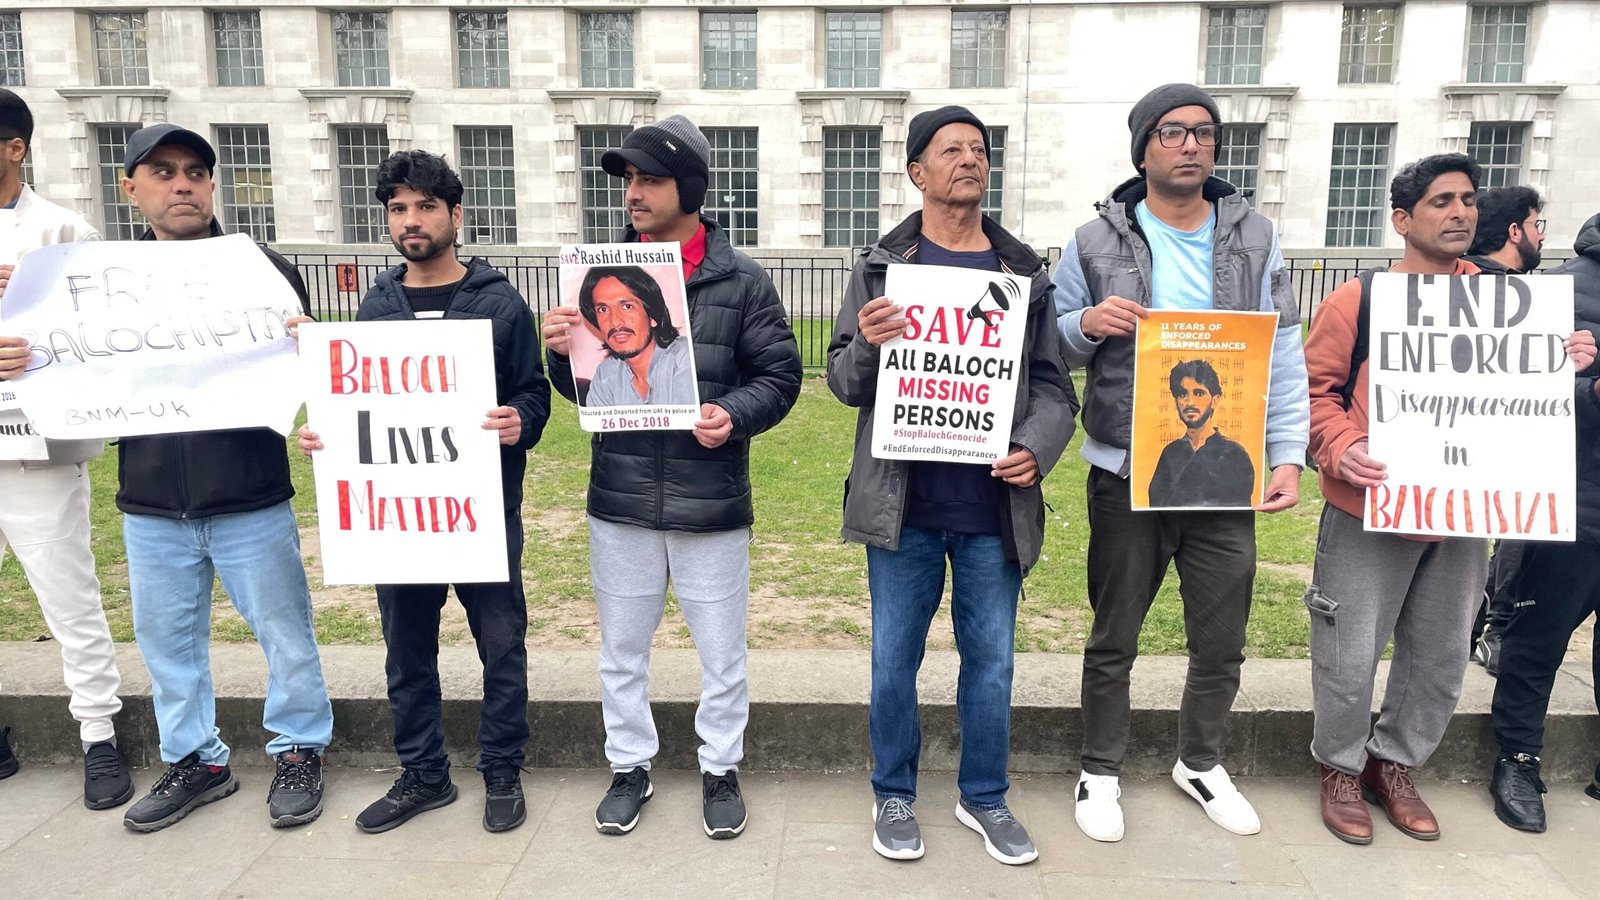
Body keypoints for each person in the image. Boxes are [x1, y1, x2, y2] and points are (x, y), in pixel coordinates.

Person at [1303, 153, 1594, 845]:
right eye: (1441, 202)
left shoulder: (1510, 302)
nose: (1460, 212)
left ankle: (1394, 765)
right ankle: (1340, 770)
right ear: (1403, 219)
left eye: (1467, 200)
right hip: (1368, 506)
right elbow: (1313, 393)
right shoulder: (1361, 299)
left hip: (1465, 511)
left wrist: (1566, 365)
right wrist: (1343, 446)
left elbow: (1518, 403)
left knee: (1438, 656)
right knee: (1348, 652)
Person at [1052, 84, 1308, 842]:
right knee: (1115, 632)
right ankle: (1099, 769)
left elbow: (1282, 355)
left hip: (1228, 476)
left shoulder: (1256, 237)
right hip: (1130, 468)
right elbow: (1052, 346)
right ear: (1143, 149)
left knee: (1221, 637)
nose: (1190, 144)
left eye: (1203, 132)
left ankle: (1199, 760)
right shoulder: (1092, 241)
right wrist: (1086, 323)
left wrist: (1287, 454)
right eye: (1171, 132)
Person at [542, 114, 801, 841]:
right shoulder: (598, 275)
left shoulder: (740, 278)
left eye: (649, 179)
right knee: (621, 649)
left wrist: (733, 413)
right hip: (619, 501)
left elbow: (780, 375)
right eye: (628, 181)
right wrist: (561, 352)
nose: (633, 193)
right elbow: (581, 391)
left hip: (710, 499)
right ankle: (630, 767)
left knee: (722, 651)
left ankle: (721, 769)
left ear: (688, 186)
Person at [830, 105, 1077, 866]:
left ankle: (985, 798)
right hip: (901, 505)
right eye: (951, 151)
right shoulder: (881, 267)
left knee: (992, 661)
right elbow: (841, 380)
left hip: (988, 506)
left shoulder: (1021, 273)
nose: (969, 160)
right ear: (917, 172)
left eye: (979, 150)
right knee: (892, 660)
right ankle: (894, 793)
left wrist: (1035, 448)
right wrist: (870, 345)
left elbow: (1053, 389)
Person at [297, 150, 550, 834]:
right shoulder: (377, 304)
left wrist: (519, 419)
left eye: (425, 206)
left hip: (480, 513)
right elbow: (356, 403)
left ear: (455, 215)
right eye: (398, 209)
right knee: (407, 652)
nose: (411, 220)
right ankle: (424, 774)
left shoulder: (498, 302)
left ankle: (501, 769)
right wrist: (327, 435)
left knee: (502, 645)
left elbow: (534, 390)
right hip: (398, 521)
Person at [105, 124, 331, 833]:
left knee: (284, 634)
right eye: (165, 172)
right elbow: (73, 368)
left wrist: (312, 352)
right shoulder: (100, 282)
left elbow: (319, 365)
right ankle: (195, 760)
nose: (183, 185)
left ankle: (298, 750)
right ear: (130, 186)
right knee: (166, 645)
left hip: (248, 495)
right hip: (149, 502)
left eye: (197, 173)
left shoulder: (259, 268)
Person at [0, 88, 132, 810]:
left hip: (36, 449)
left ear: (15, 146)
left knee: (68, 596)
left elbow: (105, 338)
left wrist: (36, 305)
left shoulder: (63, 230)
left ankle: (98, 738)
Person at [1488, 209, 1600, 832]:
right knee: (1538, 643)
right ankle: (1518, 761)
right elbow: (1517, 393)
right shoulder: (1561, 289)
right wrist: (1590, 390)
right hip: (1577, 500)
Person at [1463, 185, 1547, 675]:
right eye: (1537, 225)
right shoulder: (1522, 299)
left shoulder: (1456, 284)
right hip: (1503, 442)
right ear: (1515, 231)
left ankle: (1473, 631)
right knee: (1511, 531)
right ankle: (1492, 629)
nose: (1540, 237)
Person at [575, 264, 696, 406]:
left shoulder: (685, 357)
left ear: (652, 316)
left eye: (627, 306)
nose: (615, 322)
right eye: (603, 309)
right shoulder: (606, 376)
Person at [1147, 359, 1256, 508]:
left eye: (1199, 393)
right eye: (1182, 394)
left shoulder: (1234, 453)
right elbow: (1156, 505)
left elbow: (1237, 508)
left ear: (1215, 400)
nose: (1190, 402)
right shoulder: (1170, 453)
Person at [1465, 185, 1545, 275]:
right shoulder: (1501, 284)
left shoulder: (1456, 277)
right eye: (1536, 225)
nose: (1542, 237)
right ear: (1514, 232)